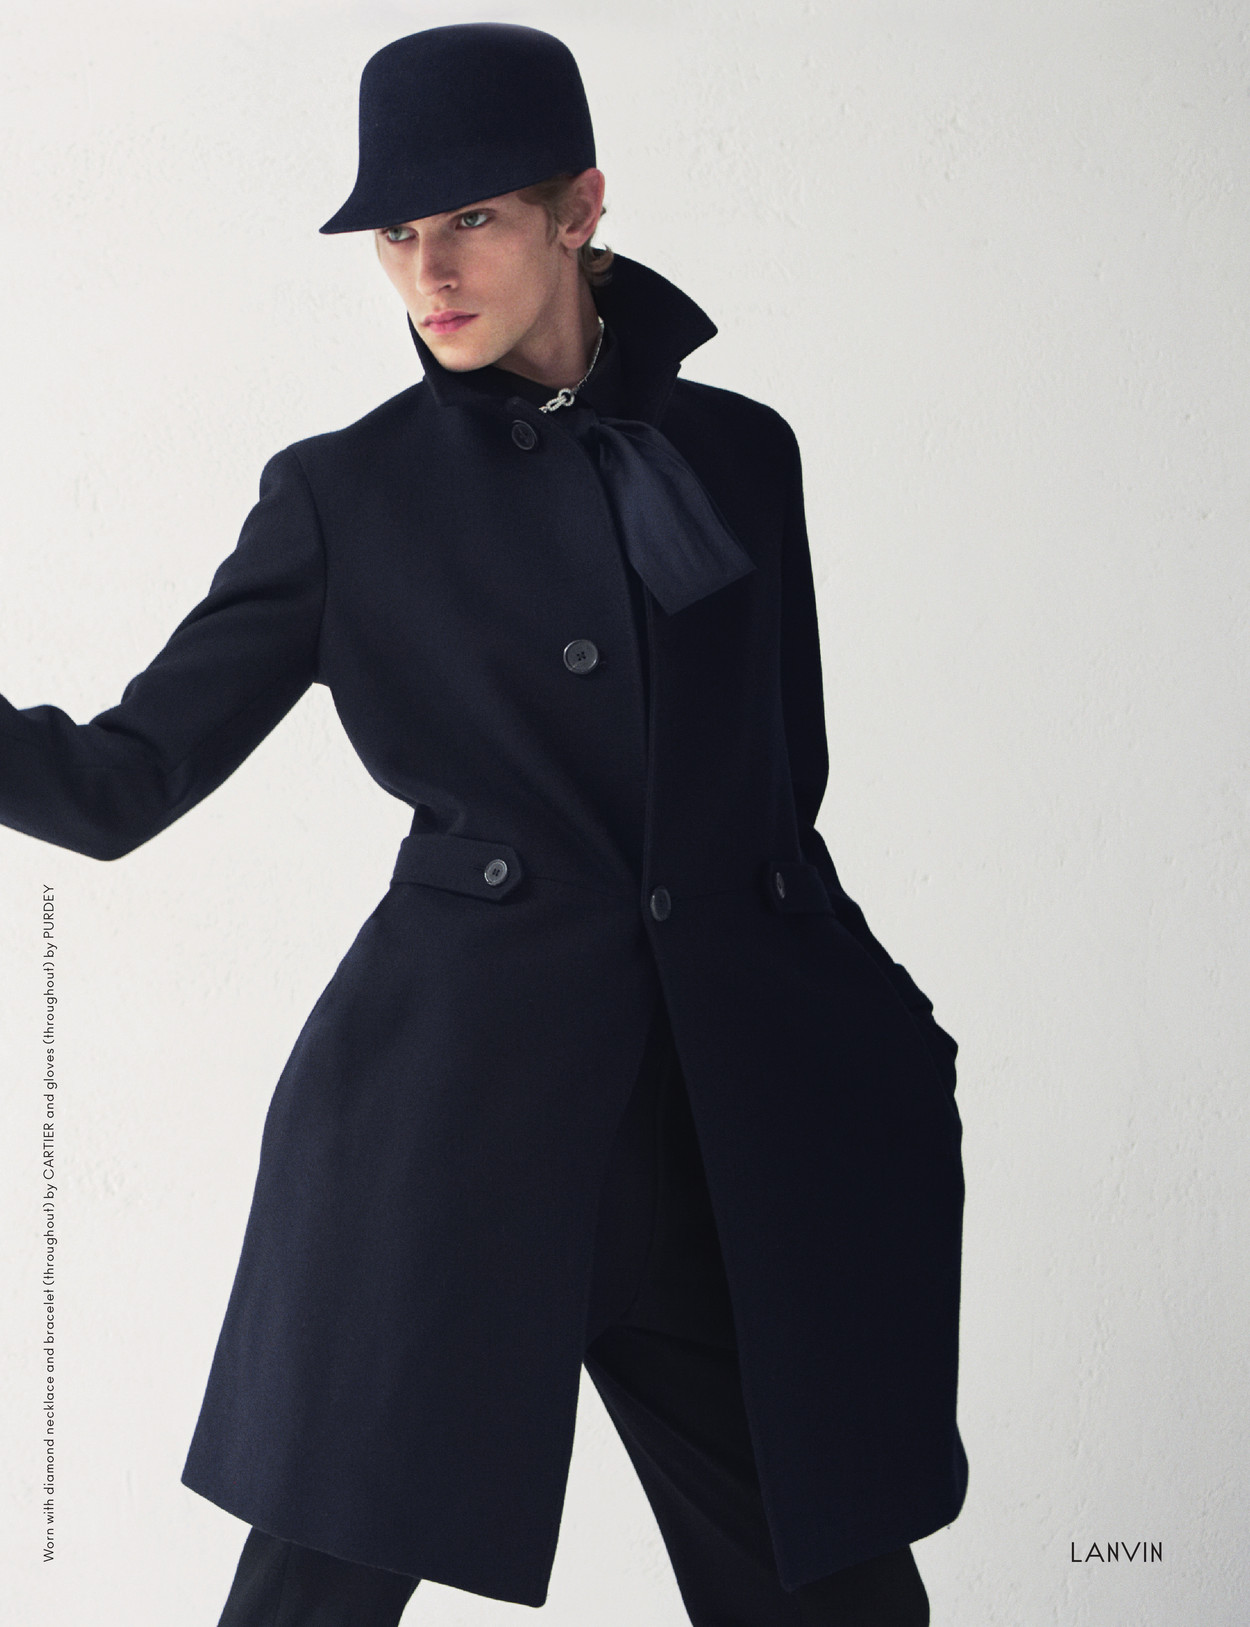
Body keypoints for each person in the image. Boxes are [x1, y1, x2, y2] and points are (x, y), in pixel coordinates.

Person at [0, 22, 966, 1626]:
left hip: (728, 1132)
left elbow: (780, 792)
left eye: (472, 219)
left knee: (839, 1595)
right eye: (395, 234)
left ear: (580, 207)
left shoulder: (740, 454)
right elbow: (120, 784)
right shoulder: (344, 495)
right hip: (455, 1138)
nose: (427, 272)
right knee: (313, 1597)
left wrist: (881, 1031)